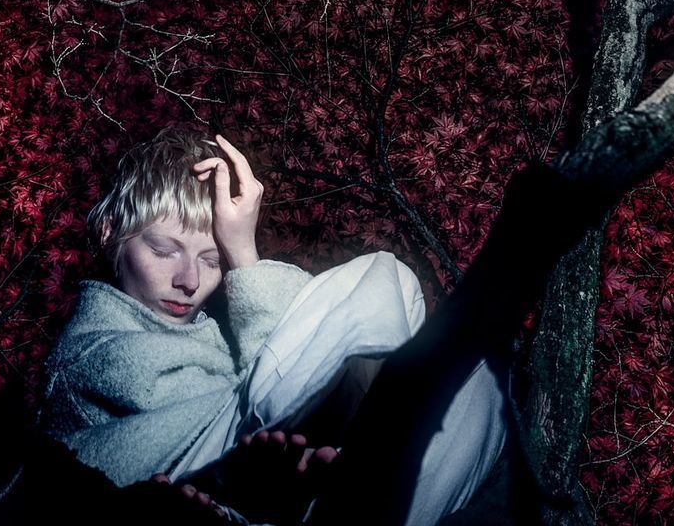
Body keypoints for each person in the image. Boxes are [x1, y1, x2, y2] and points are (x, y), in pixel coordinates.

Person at [39, 126, 506, 525]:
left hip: (256, 467)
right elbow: (216, 408)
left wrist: (240, 251)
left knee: (481, 383)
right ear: (110, 232)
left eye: (213, 259)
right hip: (173, 469)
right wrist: (244, 256)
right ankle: (384, 425)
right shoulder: (92, 349)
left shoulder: (217, 338)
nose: (188, 281)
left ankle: (377, 453)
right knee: (382, 274)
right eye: (164, 251)